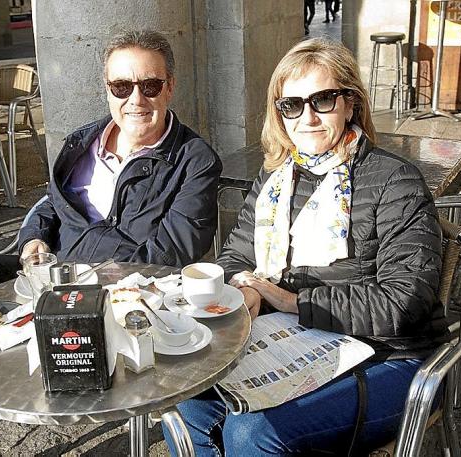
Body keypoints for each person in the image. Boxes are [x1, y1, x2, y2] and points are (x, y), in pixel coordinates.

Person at [0, 30, 222, 457]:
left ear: (169, 87)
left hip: (117, 293)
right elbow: (51, 204)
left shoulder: (194, 159)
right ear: (107, 88)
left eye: (150, 86)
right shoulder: (83, 141)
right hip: (50, 274)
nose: (136, 99)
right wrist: (33, 238)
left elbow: (170, 252)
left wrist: (84, 266)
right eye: (121, 86)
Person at [164, 39, 445, 456]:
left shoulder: (394, 181)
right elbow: (239, 255)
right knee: (188, 398)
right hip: (295, 341)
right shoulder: (276, 178)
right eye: (291, 105)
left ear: (351, 104)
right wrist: (239, 287)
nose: (307, 117)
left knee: (251, 433)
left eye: (323, 100)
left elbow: (403, 303)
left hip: (391, 358)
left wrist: (292, 300)